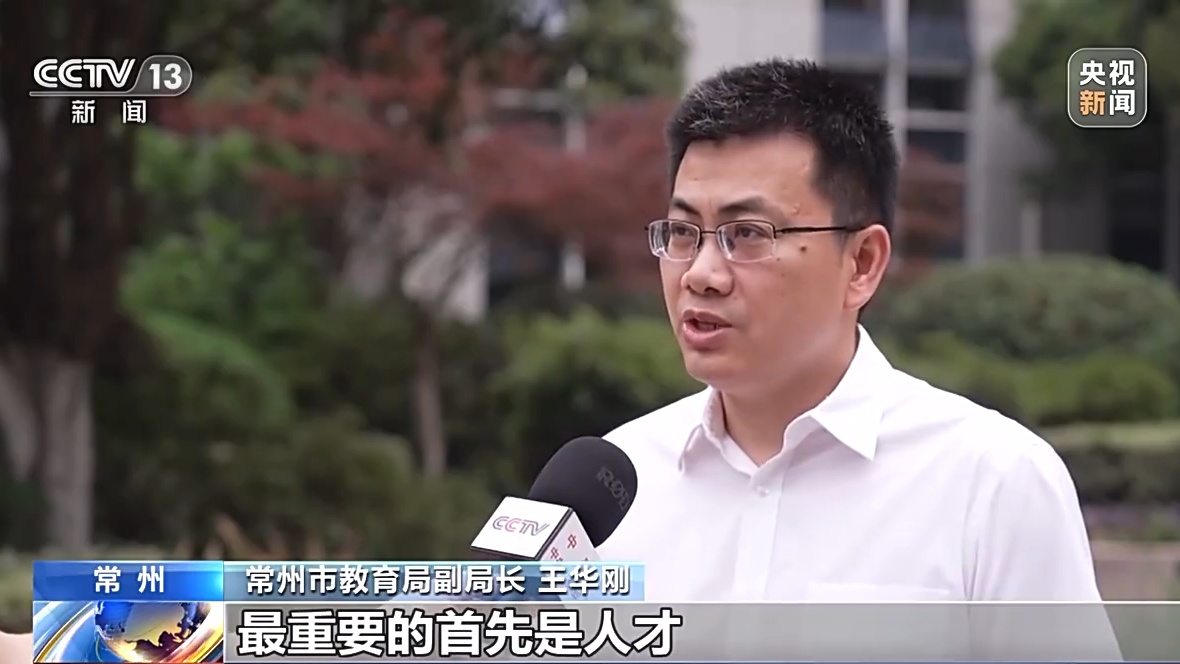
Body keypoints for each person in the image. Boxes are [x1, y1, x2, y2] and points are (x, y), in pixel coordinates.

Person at [598, 59, 1109, 607]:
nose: (699, 274)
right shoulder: (613, 485)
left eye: (746, 233)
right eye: (682, 231)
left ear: (862, 263)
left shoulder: (994, 483)